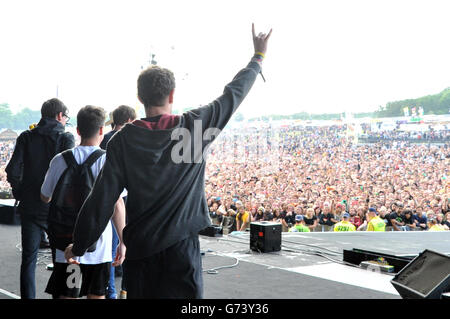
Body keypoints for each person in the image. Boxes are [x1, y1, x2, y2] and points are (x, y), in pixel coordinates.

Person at [64, 24, 272, 299]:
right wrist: (258, 57)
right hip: (181, 250)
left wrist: (79, 246)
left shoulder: (122, 141)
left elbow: (101, 198)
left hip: (141, 252)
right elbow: (233, 94)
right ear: (172, 96)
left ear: (140, 98)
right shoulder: (195, 127)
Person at [40, 105, 126, 299]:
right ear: (102, 130)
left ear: (78, 131)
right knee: (96, 295)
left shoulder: (60, 160)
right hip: (99, 246)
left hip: (65, 244)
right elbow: (117, 204)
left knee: (67, 294)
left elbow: (45, 196)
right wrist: (122, 241)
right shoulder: (108, 161)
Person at [5, 98, 75, 299]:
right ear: (60, 116)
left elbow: (13, 171)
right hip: (57, 210)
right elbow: (69, 176)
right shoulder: (66, 138)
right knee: (61, 261)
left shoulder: (26, 137)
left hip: (30, 208)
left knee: (28, 260)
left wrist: (21, 193)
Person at [100, 105, 136, 299]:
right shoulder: (126, 140)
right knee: (122, 243)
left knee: (113, 246)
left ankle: (111, 290)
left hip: (108, 198)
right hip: (122, 198)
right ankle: (119, 290)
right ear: (130, 120)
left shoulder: (104, 139)